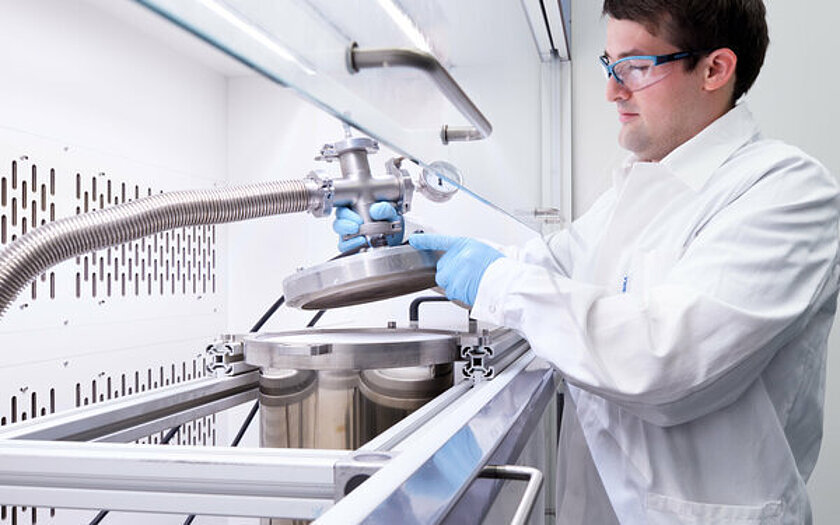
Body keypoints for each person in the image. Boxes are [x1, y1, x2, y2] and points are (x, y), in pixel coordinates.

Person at [336, 1, 839, 523]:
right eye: (609, 65)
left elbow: (663, 358)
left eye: (635, 67)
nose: (612, 91)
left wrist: (494, 279)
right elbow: (547, 266)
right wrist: (413, 249)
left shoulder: (787, 191)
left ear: (715, 69)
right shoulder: (639, 185)